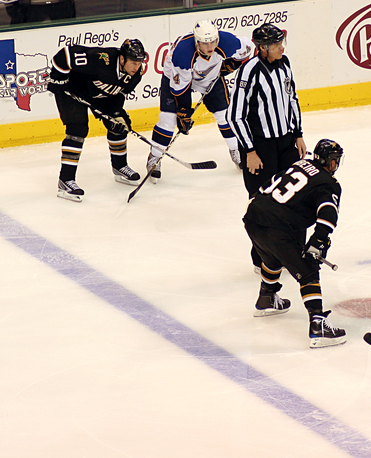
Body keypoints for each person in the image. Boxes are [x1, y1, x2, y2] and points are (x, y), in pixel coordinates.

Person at [243, 139, 347, 348]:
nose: (336, 164)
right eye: (335, 160)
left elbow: (264, 187)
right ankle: (318, 324)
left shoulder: (298, 165)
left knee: (271, 257)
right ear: (329, 161)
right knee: (308, 271)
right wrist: (318, 241)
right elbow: (328, 214)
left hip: (253, 218)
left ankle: (267, 298)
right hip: (276, 227)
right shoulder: (328, 183)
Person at [226, 22, 307, 268]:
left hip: (285, 143)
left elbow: (292, 98)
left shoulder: (285, 63)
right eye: (276, 44)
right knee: (262, 203)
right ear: (262, 48)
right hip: (260, 147)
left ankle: (295, 251)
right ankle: (262, 257)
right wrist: (249, 151)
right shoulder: (249, 71)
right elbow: (235, 115)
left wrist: (298, 134)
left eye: (281, 42)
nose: (281, 47)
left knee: (294, 196)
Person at [146, 20, 254, 180]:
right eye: (205, 43)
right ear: (197, 42)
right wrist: (184, 111)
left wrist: (231, 65)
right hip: (176, 77)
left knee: (225, 115)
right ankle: (155, 157)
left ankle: (236, 151)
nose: (210, 47)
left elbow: (247, 50)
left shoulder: (228, 42)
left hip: (210, 77)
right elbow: (180, 89)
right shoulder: (182, 54)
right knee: (168, 119)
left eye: (213, 42)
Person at [47, 38, 146, 202]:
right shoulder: (102, 59)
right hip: (71, 91)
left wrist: (114, 112)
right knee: (77, 129)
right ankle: (65, 181)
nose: (137, 66)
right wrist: (59, 80)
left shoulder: (135, 74)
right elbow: (65, 55)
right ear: (122, 59)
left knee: (118, 123)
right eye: (134, 62)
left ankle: (120, 167)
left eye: (139, 62)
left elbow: (119, 93)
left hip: (97, 95)